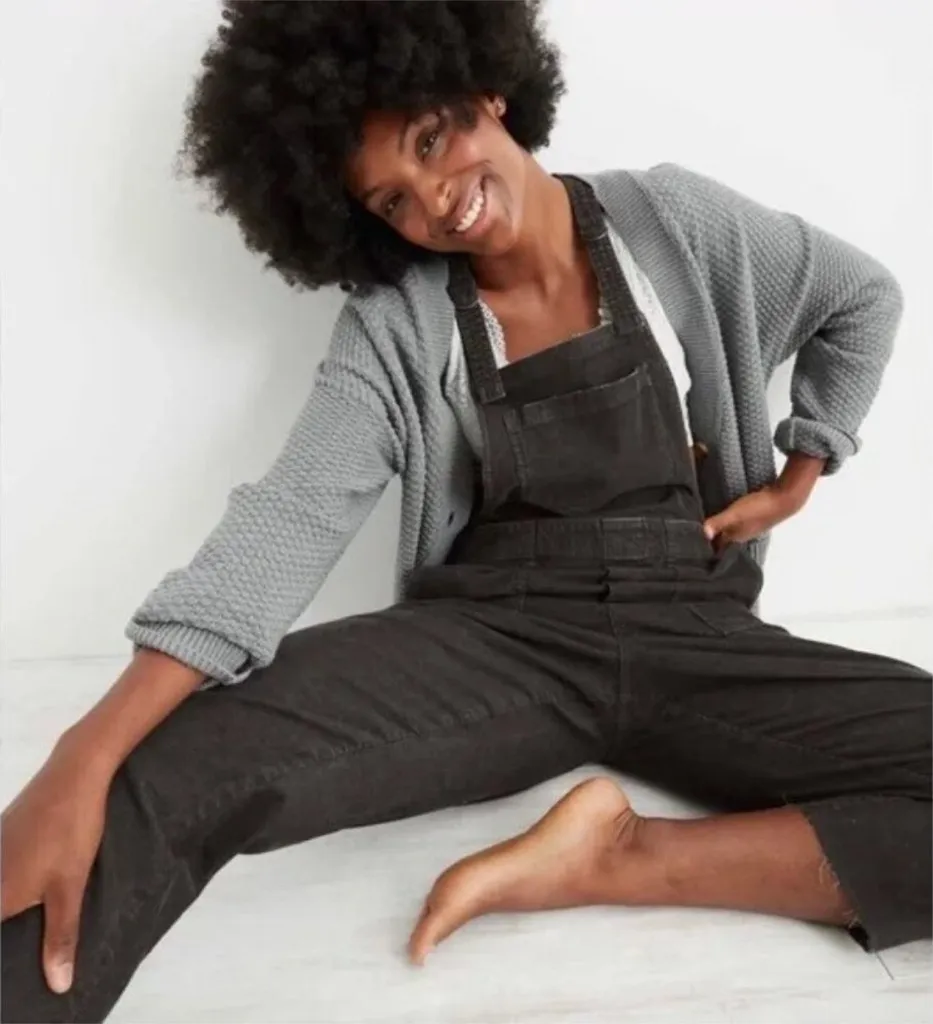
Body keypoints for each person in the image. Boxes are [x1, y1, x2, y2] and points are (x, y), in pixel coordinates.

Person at [2, 1, 930, 1019]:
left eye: (432, 141)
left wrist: (805, 465)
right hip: (497, 640)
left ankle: (617, 856)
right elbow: (289, 520)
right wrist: (79, 756)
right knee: (168, 769)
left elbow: (862, 297)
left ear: (489, 91)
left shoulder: (673, 221)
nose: (437, 202)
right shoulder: (397, 324)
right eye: (392, 201)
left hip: (697, 628)